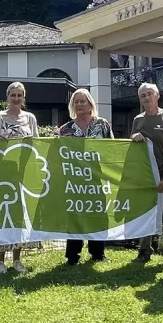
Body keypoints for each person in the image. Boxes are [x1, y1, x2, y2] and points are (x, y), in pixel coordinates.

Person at [0, 81, 41, 274]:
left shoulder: (30, 118)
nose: (16, 98)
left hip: (22, 173)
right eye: (13, 95)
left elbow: (36, 144)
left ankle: (17, 259)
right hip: (2, 173)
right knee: (3, 214)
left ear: (23, 97)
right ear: (7, 97)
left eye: (19, 95)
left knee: (19, 216)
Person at [130, 81, 163, 266]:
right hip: (146, 175)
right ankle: (144, 251)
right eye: (143, 95)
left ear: (157, 95)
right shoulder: (138, 120)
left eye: (149, 94)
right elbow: (133, 148)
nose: (146, 98)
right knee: (147, 212)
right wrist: (134, 137)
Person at [57, 87, 113, 266]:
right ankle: (72, 255)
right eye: (76, 102)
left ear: (90, 104)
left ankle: (98, 253)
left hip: (97, 179)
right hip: (74, 181)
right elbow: (59, 154)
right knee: (74, 215)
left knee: (97, 214)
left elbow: (112, 149)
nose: (80, 104)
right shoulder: (66, 129)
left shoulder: (102, 125)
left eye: (83, 101)